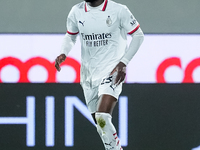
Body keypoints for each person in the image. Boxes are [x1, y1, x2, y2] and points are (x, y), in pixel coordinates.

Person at [55, 0, 144, 149]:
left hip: (112, 70)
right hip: (88, 75)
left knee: (102, 116)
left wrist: (123, 63)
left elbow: (138, 36)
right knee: (101, 125)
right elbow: (70, 36)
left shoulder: (119, 10)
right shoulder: (76, 11)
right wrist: (63, 52)